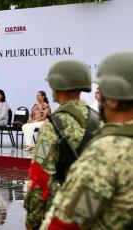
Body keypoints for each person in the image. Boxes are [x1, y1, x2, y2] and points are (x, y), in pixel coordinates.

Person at [40, 51, 133, 229]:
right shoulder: (96, 119)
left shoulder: (107, 152)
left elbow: (68, 221)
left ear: (112, 99)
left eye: (102, 91)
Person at [24, 59, 94, 229]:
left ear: (58, 85)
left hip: (62, 209)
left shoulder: (54, 125)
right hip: (91, 209)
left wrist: (32, 221)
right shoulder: (96, 118)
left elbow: (39, 178)